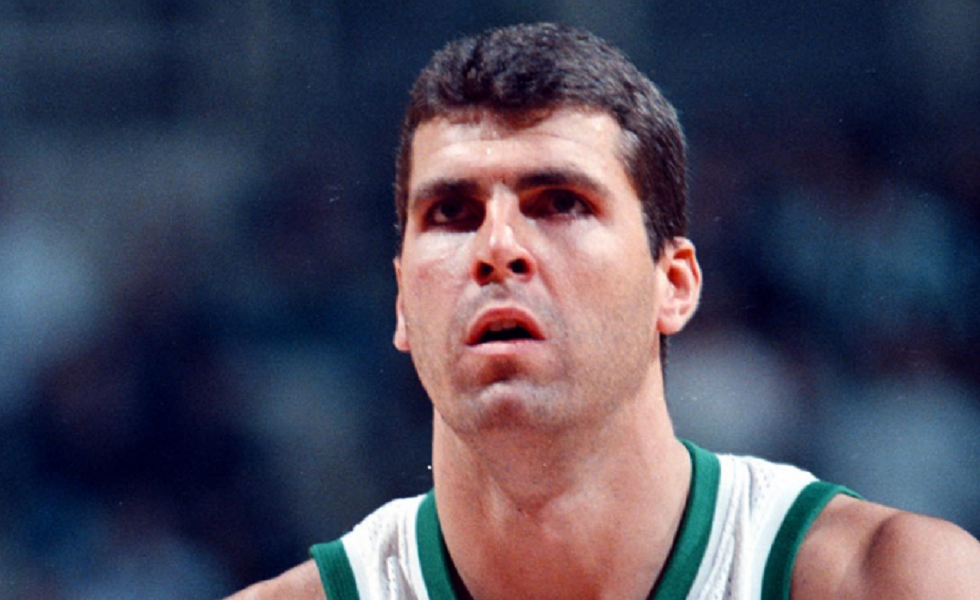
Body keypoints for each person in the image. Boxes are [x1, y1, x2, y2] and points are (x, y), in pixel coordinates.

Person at [226, 23, 980, 599]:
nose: (497, 247)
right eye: (452, 212)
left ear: (673, 284)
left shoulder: (895, 581)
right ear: (400, 301)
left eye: (560, 202)